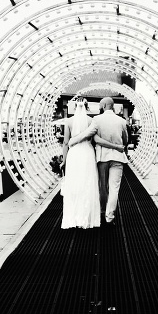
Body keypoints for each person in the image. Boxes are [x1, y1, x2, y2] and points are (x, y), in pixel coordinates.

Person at [62, 98, 125, 228]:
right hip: (98, 155)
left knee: (92, 185)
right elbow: (124, 139)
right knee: (101, 186)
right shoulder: (99, 120)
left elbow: (69, 141)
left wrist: (69, 148)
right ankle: (103, 216)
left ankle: (84, 214)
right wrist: (118, 147)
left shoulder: (90, 120)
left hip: (86, 156)